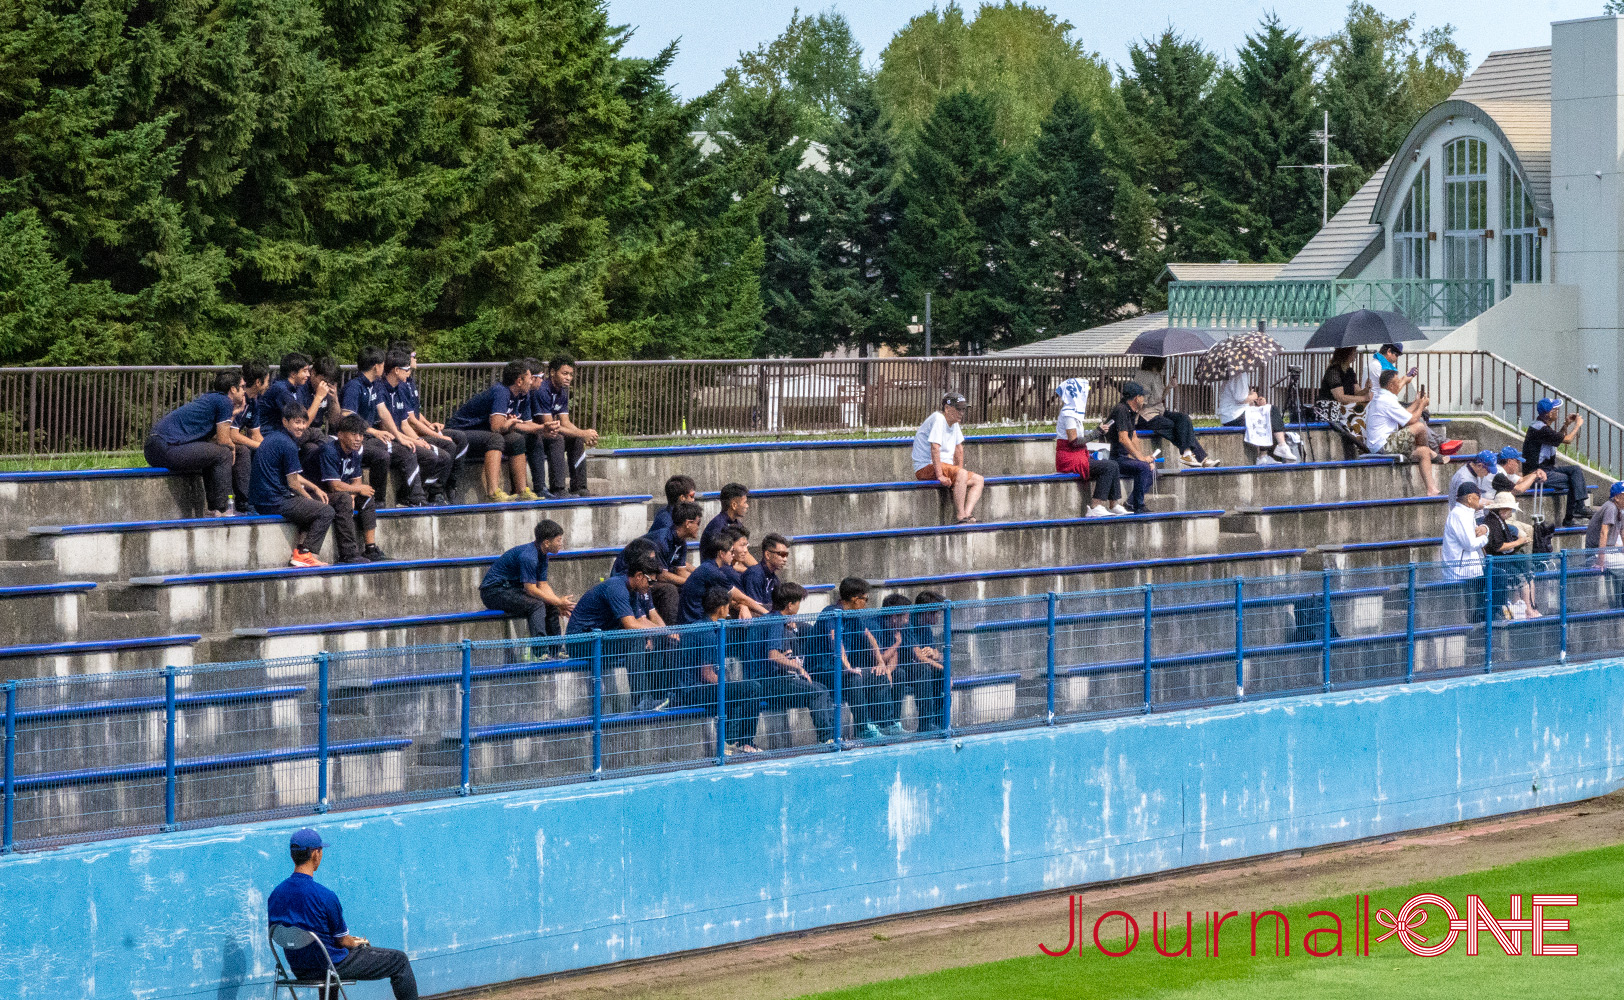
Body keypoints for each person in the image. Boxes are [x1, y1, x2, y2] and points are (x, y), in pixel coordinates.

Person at [267, 828, 419, 1000]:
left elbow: (282, 933)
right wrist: (358, 943)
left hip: (299, 968)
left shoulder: (275, 895)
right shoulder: (325, 896)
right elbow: (343, 941)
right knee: (399, 960)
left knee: (325, 955)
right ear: (316, 854)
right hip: (330, 967)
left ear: (293, 855)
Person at [566, 549, 669, 709]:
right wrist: (657, 631)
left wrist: (665, 632)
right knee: (635, 639)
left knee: (653, 639)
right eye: (650, 582)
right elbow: (630, 624)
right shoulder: (617, 588)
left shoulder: (632, 591)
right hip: (581, 643)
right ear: (639, 576)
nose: (650, 587)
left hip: (599, 639)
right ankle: (641, 701)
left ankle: (654, 696)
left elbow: (641, 620)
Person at [668, 585, 764, 755]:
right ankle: (745, 742)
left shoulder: (700, 625)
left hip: (689, 689)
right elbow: (706, 674)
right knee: (753, 688)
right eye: (727, 606)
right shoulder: (708, 633)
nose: (728, 610)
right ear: (721, 608)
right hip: (694, 692)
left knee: (736, 690)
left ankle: (731, 740)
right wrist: (727, 683)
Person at [742, 582, 838, 744]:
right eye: (799, 602)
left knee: (822, 688)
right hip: (768, 683)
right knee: (817, 692)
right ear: (790, 605)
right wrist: (798, 668)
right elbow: (772, 655)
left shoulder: (768, 619)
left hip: (763, 680)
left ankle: (833, 736)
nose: (799, 606)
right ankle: (827, 739)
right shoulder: (776, 622)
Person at [143, 369, 242, 517]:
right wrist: (232, 447)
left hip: (156, 447)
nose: (244, 392)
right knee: (223, 453)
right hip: (164, 446)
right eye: (242, 387)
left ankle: (215, 508)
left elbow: (214, 438)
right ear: (233, 389)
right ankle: (223, 509)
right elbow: (223, 440)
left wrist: (234, 414)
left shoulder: (212, 399)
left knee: (215, 453)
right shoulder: (224, 401)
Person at [341, 346, 428, 508]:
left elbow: (383, 413)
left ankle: (415, 498)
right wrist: (374, 431)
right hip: (355, 439)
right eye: (382, 364)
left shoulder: (374, 385)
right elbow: (348, 417)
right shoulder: (354, 387)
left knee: (405, 449)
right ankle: (379, 502)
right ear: (376, 366)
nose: (384, 366)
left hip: (369, 437)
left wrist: (400, 436)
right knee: (382, 456)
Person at [808, 577, 889, 740]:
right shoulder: (831, 613)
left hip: (842, 671)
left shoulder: (853, 615)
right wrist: (848, 668)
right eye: (865, 599)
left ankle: (885, 724)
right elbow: (836, 642)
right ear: (855, 598)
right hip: (822, 671)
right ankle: (862, 728)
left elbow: (869, 637)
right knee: (854, 678)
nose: (866, 603)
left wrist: (881, 663)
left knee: (879, 676)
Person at [386, 344, 469, 502]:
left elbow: (413, 414)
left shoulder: (407, 383)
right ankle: (427, 492)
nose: (415, 360)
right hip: (403, 436)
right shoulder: (397, 387)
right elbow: (410, 422)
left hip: (411, 434)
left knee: (459, 439)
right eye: (413, 356)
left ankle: (443, 488)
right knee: (443, 450)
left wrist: (429, 425)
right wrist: (425, 437)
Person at [445, 360, 534, 502]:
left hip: (480, 433)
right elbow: (496, 427)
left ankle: (522, 490)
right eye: (529, 377)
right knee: (495, 438)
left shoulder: (518, 395)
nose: (531, 381)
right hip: (460, 431)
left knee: (516, 439)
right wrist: (509, 423)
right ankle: (493, 492)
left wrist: (541, 428)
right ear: (519, 381)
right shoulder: (501, 392)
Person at [480, 520, 575, 642]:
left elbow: (543, 585)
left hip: (511, 589)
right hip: (493, 592)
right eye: (558, 540)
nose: (561, 543)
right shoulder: (529, 557)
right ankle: (542, 652)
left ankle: (555, 650)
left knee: (550, 605)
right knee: (537, 605)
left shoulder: (543, 555)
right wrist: (558, 601)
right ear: (546, 542)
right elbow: (530, 589)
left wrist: (557, 603)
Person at [611, 500, 702, 626]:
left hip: (650, 577)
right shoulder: (661, 540)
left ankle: (692, 627)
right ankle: (672, 633)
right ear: (688, 523)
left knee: (693, 588)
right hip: (629, 576)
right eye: (698, 523)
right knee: (669, 590)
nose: (699, 527)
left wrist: (697, 583)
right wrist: (691, 581)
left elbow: (680, 571)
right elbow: (661, 575)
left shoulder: (681, 542)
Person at [317, 415, 391, 564]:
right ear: (340, 435)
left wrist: (353, 494)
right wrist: (352, 492)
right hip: (319, 494)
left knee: (367, 495)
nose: (358, 438)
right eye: (353, 434)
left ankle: (370, 548)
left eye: (361, 434)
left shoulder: (355, 453)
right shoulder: (329, 451)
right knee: (344, 499)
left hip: (341, 493)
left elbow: (357, 481)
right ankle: (348, 553)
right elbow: (334, 485)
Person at [528, 355, 599, 498]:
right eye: (564, 373)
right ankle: (558, 488)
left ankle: (579, 487)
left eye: (571, 374)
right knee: (558, 438)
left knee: (576, 440)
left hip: (546, 431)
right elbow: (549, 425)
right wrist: (582, 433)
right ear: (553, 372)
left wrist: (584, 434)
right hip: (535, 433)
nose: (568, 378)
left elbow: (565, 422)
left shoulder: (562, 392)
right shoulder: (542, 390)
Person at [1052, 378, 1123, 517]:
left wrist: (1097, 431)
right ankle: (1096, 505)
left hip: (1078, 455)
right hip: (1070, 458)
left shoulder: (1074, 413)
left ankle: (1114, 504)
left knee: (1113, 465)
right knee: (1109, 466)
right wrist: (1097, 433)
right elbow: (1073, 441)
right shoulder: (1068, 413)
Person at [1363, 370, 1439, 495]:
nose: (1400, 385)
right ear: (1391, 386)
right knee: (1419, 426)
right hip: (1384, 445)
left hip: (1385, 443)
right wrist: (1422, 405)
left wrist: (1417, 402)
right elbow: (1412, 420)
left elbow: (1405, 414)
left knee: (1423, 452)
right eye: (1398, 382)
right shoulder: (1386, 400)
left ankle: (1431, 489)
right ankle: (1432, 451)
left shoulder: (1384, 397)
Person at [913, 393, 984, 524]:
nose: (961, 413)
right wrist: (940, 475)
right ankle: (961, 516)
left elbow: (959, 449)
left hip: (944, 466)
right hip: (926, 467)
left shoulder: (954, 423)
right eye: (958, 409)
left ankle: (967, 514)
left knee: (978, 480)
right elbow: (934, 447)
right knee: (961, 474)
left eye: (963, 409)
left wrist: (959, 477)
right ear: (947, 408)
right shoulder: (938, 419)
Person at [1135, 357, 1217, 467]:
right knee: (1173, 426)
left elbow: (1161, 397)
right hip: (1146, 416)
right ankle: (1198, 457)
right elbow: (1143, 402)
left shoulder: (1157, 375)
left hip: (1159, 411)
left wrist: (1169, 386)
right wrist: (1159, 397)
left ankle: (1188, 454)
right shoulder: (1143, 376)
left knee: (1183, 419)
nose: (1164, 364)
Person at [1522, 398, 1593, 525]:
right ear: (1549, 414)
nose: (1557, 412)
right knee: (1573, 480)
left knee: (1575, 470)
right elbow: (1568, 440)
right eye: (1555, 410)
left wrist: (1566, 425)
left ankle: (1578, 509)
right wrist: (1577, 425)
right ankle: (1571, 516)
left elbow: (1557, 439)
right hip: (1537, 473)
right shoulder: (1541, 429)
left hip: (1547, 469)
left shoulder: (1542, 427)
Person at [677, 528, 768, 624]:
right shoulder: (712, 572)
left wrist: (743, 606)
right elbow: (740, 597)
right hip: (694, 624)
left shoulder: (708, 567)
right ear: (721, 554)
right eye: (731, 552)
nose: (733, 555)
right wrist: (766, 613)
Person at [1216, 371, 1296, 463]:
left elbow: (1240, 400)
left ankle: (1264, 455)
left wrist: (1256, 403)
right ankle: (1280, 446)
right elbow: (1241, 399)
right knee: (1272, 410)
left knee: (1266, 413)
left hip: (1231, 416)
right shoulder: (1239, 374)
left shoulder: (1234, 374)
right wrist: (1254, 396)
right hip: (1234, 416)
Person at [1482, 491, 1539, 619]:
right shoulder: (1492, 523)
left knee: (1528, 570)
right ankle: (1528, 610)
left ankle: (1528, 606)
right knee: (1522, 581)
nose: (1511, 514)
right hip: (1498, 561)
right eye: (1510, 511)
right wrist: (1518, 542)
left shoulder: (1499, 521)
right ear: (1503, 510)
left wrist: (1518, 544)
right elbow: (1498, 546)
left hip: (1506, 558)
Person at [1103, 382, 1156, 515]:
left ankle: (1131, 502)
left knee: (1151, 468)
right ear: (1136, 398)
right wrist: (1140, 459)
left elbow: (1133, 437)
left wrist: (1143, 458)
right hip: (1114, 458)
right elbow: (1123, 438)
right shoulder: (1121, 410)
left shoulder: (1130, 412)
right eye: (1142, 396)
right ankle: (1138, 505)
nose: (1143, 400)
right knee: (1144, 467)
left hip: (1123, 457)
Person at [901, 592, 948, 732]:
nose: (938, 616)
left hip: (920, 668)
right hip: (905, 668)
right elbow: (917, 656)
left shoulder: (926, 628)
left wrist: (936, 655)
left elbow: (934, 654)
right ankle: (926, 725)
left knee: (940, 675)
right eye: (936, 613)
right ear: (926, 612)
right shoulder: (908, 624)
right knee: (929, 670)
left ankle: (941, 723)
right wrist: (944, 670)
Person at [228, 360, 271, 514]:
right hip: (219, 438)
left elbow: (255, 433)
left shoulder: (253, 402)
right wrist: (259, 446)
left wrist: (270, 448)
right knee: (244, 451)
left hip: (232, 438)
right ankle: (245, 501)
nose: (268, 385)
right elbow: (232, 434)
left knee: (265, 451)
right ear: (258, 382)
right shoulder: (239, 397)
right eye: (267, 381)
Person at [1314, 346, 1372, 459]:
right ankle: (1360, 445)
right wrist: (1364, 398)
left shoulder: (1350, 371)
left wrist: (1365, 389)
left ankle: (1366, 443)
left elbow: (1357, 393)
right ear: (1346, 355)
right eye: (1353, 353)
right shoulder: (1333, 372)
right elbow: (1340, 397)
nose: (1355, 356)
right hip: (1335, 409)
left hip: (1347, 407)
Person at [297, 356, 344, 481]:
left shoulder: (326, 390)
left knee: (338, 447)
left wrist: (335, 401)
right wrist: (318, 397)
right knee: (314, 450)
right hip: (302, 434)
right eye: (322, 380)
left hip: (318, 434)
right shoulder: (302, 389)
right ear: (313, 373)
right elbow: (303, 423)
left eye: (328, 382)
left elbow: (334, 422)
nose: (325, 385)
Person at [1441, 483, 1489, 584]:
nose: (1480, 499)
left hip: (1469, 570)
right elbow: (1470, 545)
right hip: (1461, 572)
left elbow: (1476, 533)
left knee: (1499, 574)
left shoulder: (1466, 513)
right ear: (1470, 498)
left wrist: (1485, 529)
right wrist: (1485, 538)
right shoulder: (1459, 515)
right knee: (1498, 576)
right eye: (1479, 496)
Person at [1585, 482, 1624, 608]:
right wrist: (1600, 561)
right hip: (1595, 553)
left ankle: (1619, 604)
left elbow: (1623, 534)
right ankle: (1620, 605)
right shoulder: (1611, 507)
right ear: (1617, 497)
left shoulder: (1620, 510)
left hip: (1610, 551)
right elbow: (1603, 533)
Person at [702, 483, 758, 568]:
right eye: (745, 502)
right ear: (734, 505)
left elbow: (745, 555)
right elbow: (721, 561)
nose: (747, 506)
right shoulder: (718, 526)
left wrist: (760, 573)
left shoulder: (737, 524)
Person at [741, 533, 789, 608]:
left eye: (786, 555)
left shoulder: (775, 579)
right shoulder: (754, 574)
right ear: (768, 555)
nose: (785, 559)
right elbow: (754, 609)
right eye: (782, 554)